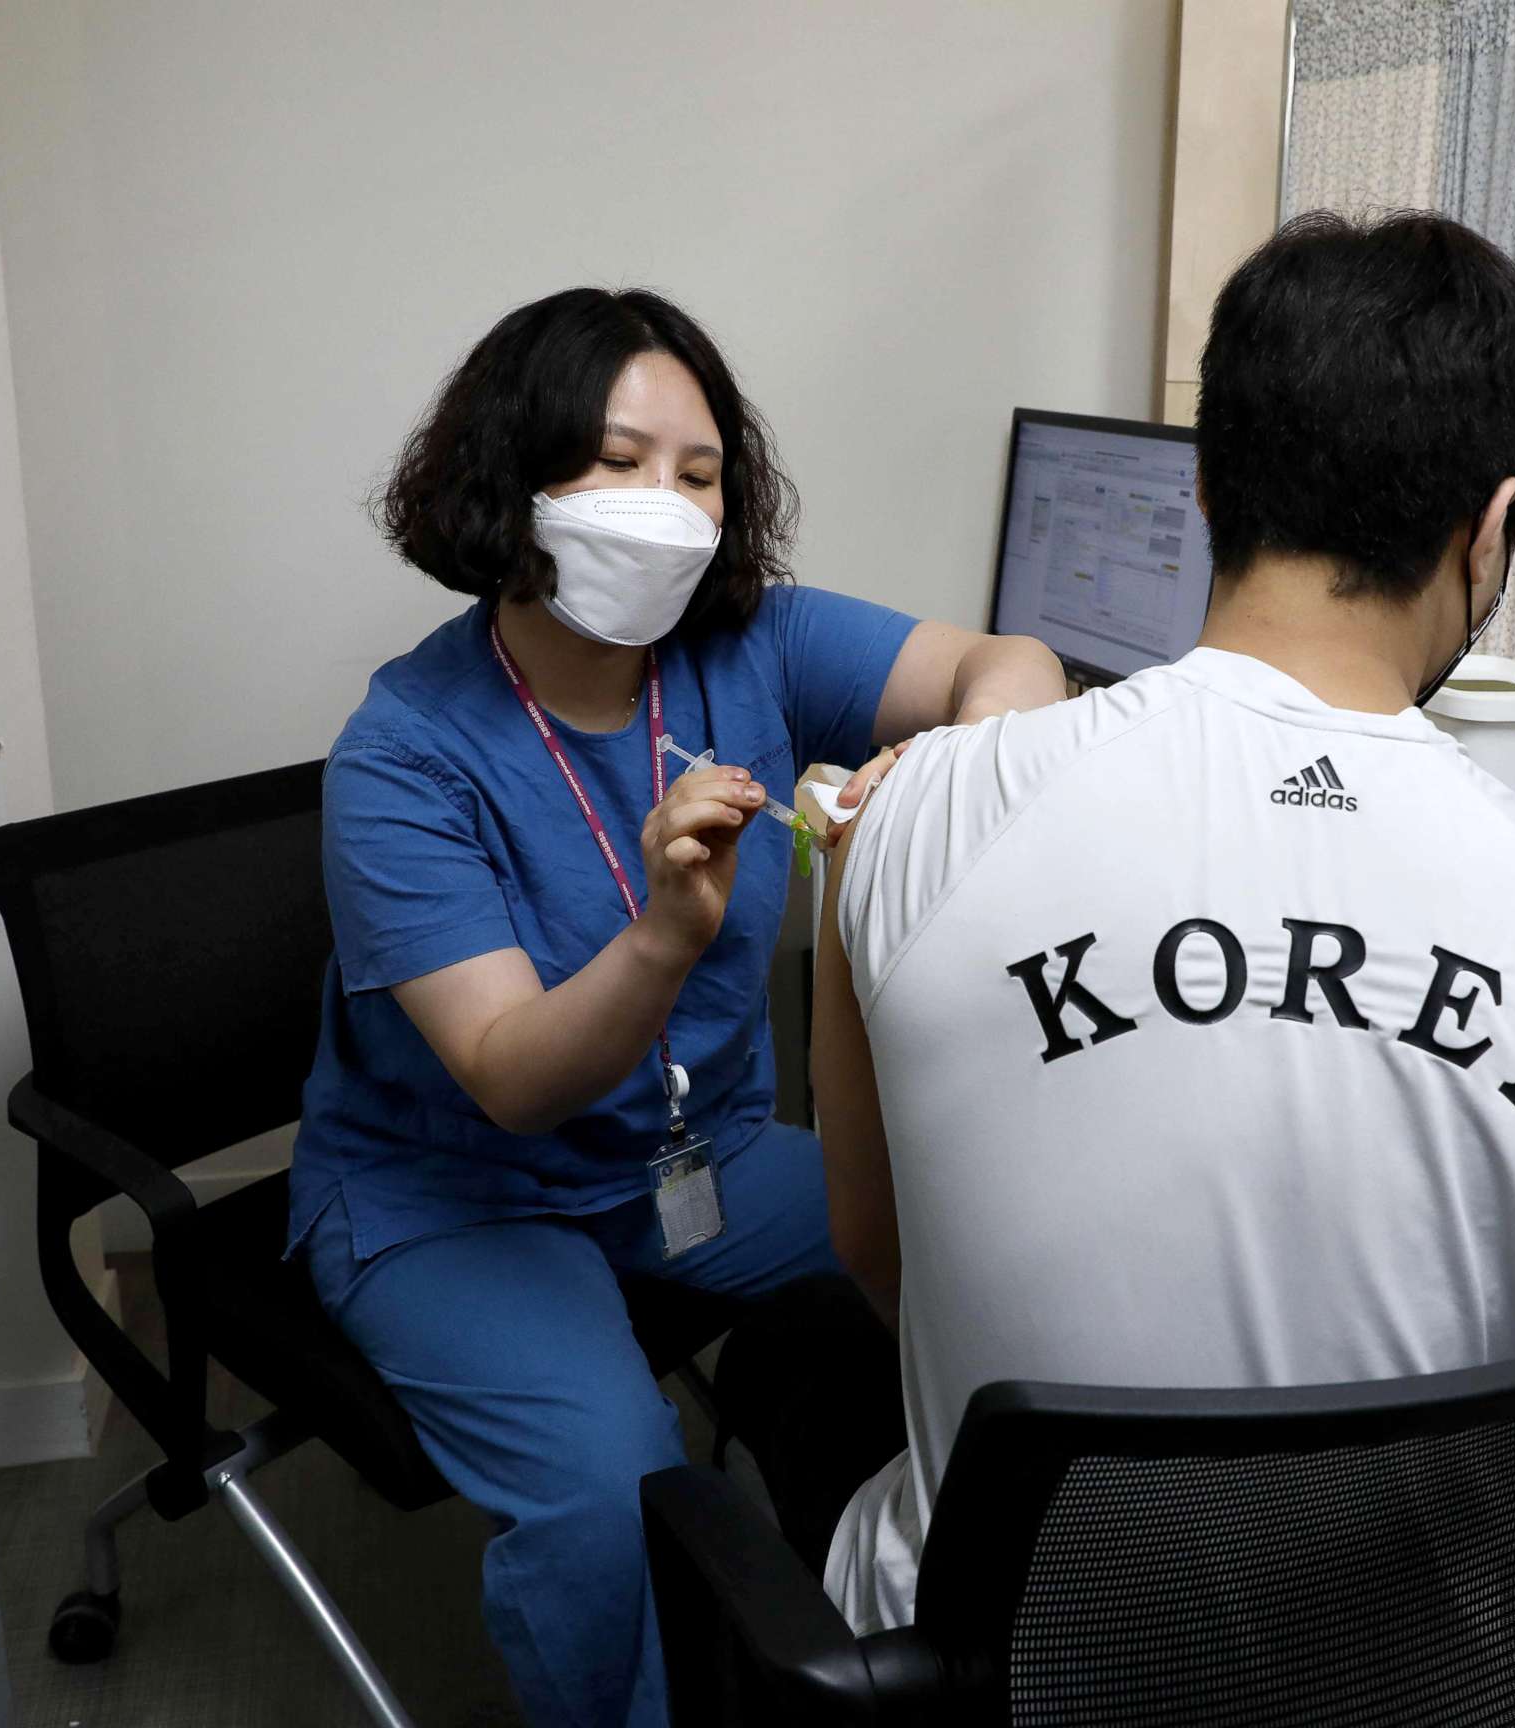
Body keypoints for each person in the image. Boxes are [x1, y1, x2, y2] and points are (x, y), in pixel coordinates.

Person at [809, 210, 1515, 1633]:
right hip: (1409, 1681)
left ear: (1203, 489)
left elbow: (877, 1253)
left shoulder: (905, 820)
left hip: (1000, 1665)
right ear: (1494, 527)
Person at [289, 286, 1067, 1727]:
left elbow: (999, 662)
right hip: (458, 1199)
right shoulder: (402, 753)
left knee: (987, 1261)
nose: (664, 504)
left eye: (697, 474)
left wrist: (960, 764)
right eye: (615, 462)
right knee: (609, 1489)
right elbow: (515, 1075)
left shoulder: (748, 646)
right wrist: (663, 934)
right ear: (510, 481)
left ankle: (970, 1647)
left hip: (682, 1158)